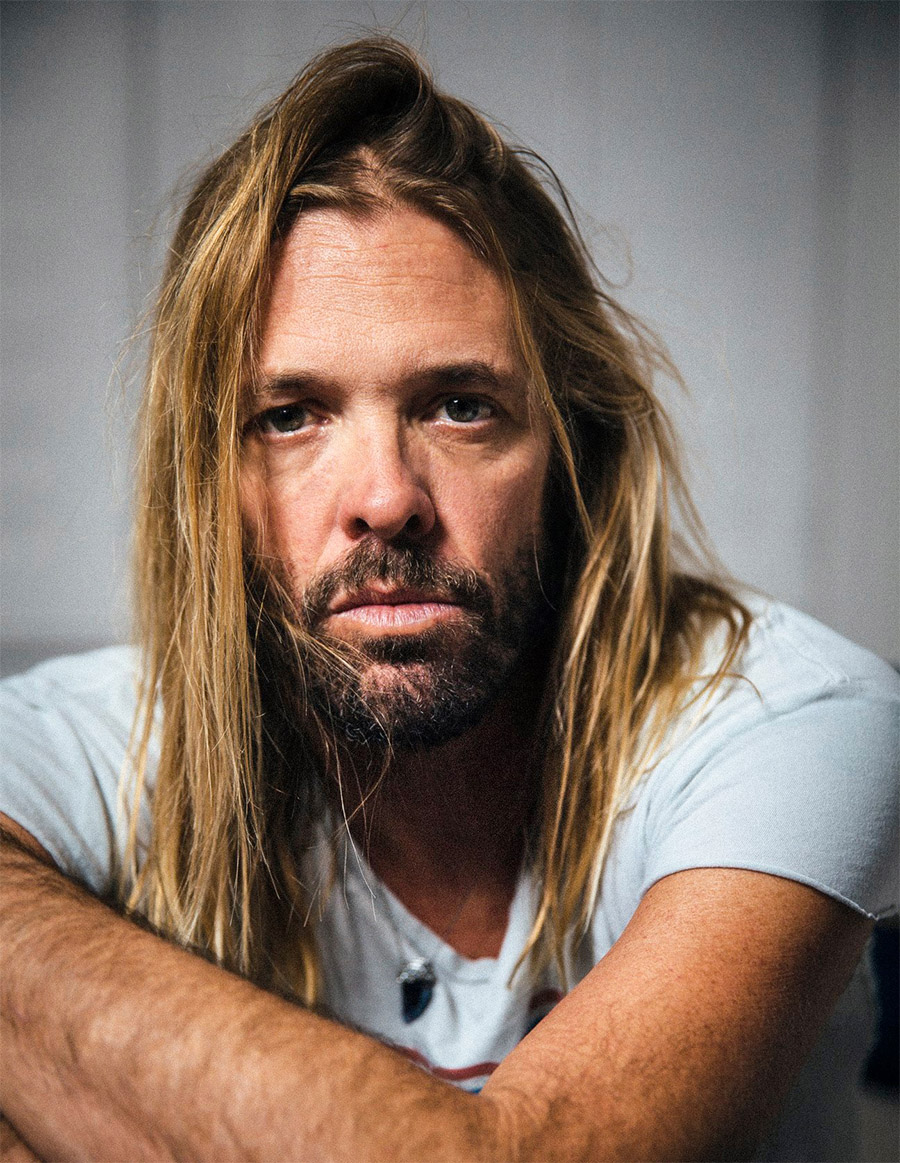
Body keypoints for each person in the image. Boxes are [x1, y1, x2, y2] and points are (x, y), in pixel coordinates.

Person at [0, 36, 896, 1163]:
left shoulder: (794, 719)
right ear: (207, 481)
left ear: (573, 448)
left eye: (460, 405)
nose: (385, 499)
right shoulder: (101, 741)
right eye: (290, 416)